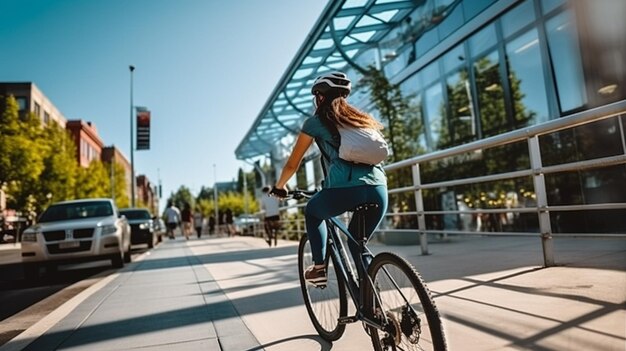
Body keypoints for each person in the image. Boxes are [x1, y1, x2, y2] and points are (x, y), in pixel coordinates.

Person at [270, 71, 387, 286]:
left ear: (320, 97)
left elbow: (292, 164)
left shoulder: (315, 122)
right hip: (379, 189)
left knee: (313, 212)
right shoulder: (361, 120)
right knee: (357, 244)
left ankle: (319, 268)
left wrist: (280, 186)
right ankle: (374, 305)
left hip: (344, 190)